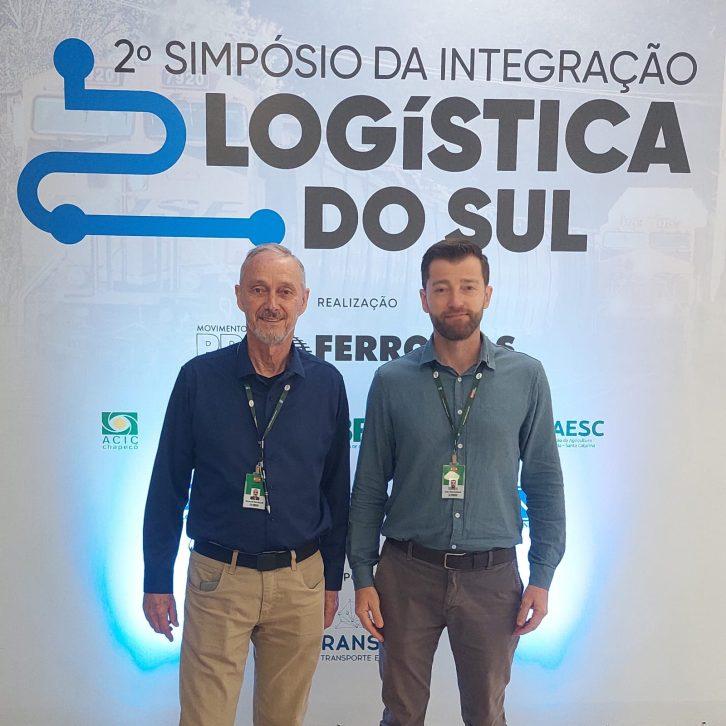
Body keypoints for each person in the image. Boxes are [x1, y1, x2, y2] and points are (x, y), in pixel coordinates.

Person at [348, 238, 565, 726]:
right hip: (406, 573)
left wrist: (542, 575)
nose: (455, 300)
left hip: (492, 578)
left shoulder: (526, 376)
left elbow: (545, 482)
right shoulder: (392, 380)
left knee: (486, 715)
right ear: (424, 298)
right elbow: (369, 487)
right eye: (441, 288)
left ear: (487, 294)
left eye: (467, 287)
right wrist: (362, 575)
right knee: (401, 714)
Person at [142, 244, 350, 726]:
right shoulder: (199, 379)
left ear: (304, 301)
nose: (271, 303)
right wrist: (156, 578)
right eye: (259, 290)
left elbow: (336, 490)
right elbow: (167, 485)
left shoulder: (327, 384)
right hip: (219, 578)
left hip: (300, 580)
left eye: (285, 291)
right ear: (239, 296)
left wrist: (331, 580)